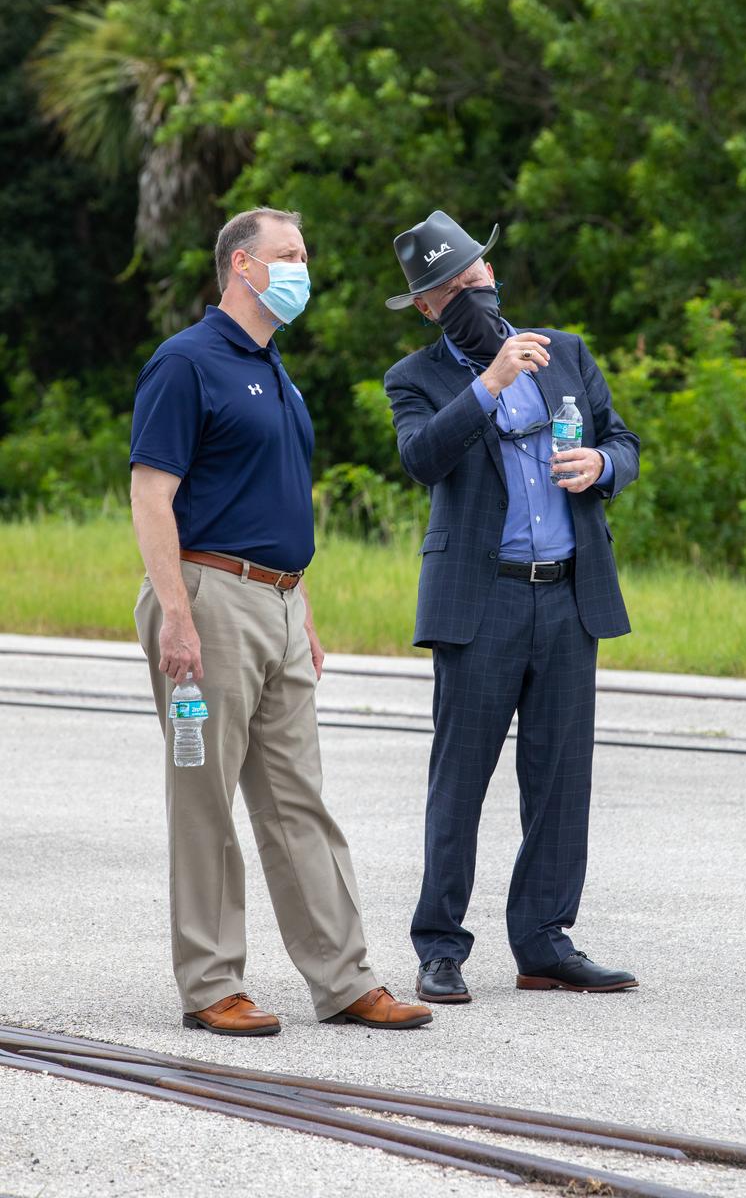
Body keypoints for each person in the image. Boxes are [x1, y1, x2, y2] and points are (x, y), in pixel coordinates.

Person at [130, 206, 431, 1034]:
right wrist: (177, 618)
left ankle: (344, 978)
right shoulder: (187, 363)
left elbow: (274, 502)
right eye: (288, 254)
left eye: (304, 252)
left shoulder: (276, 369)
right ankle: (211, 982)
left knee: (299, 802)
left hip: (281, 603)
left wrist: (304, 610)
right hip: (211, 600)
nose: (302, 267)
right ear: (241, 266)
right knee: (204, 797)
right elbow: (151, 493)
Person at [384, 210, 640, 1004]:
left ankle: (543, 942)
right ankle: (439, 946)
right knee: (459, 778)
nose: (472, 292)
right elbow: (422, 459)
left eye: (476, 276)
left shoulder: (563, 351)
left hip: (566, 591)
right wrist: (488, 381)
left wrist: (599, 463)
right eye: (450, 289)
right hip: (482, 596)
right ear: (426, 306)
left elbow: (624, 443)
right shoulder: (416, 376)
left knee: (561, 777)